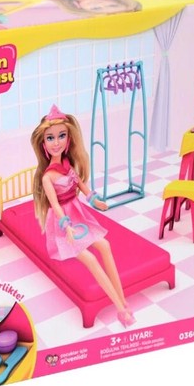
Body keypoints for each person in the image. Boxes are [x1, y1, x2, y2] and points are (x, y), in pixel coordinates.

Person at [31, 104, 135, 327]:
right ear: (43, 144)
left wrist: (95, 200)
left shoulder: (68, 165)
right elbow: (55, 206)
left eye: (61, 136)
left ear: (68, 139)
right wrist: (67, 227)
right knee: (90, 259)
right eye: (50, 138)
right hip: (64, 225)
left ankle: (123, 299)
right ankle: (120, 309)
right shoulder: (47, 178)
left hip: (78, 215)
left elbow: (82, 186)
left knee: (105, 246)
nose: (56, 142)